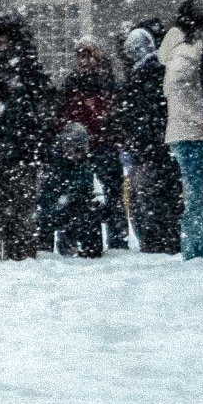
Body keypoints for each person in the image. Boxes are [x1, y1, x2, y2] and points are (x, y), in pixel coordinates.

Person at [0, 15, 57, 262]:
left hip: (13, 150)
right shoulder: (25, 65)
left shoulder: (11, 68)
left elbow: (8, 111)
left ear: (4, 38)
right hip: (20, 150)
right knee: (18, 210)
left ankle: (14, 256)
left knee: (10, 209)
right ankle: (19, 254)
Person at [164, 2, 203, 262]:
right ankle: (200, 250)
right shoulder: (191, 51)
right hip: (193, 131)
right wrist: (200, 117)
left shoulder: (177, 50)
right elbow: (179, 84)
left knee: (198, 192)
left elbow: (173, 87)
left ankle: (200, 248)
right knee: (201, 194)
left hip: (183, 130)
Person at [115, 26, 182, 254]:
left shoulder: (140, 76)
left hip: (148, 148)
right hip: (162, 145)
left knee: (147, 199)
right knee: (163, 197)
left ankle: (155, 242)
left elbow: (137, 114)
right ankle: (167, 239)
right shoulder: (160, 70)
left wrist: (137, 137)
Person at [56, 40, 128, 250]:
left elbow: (114, 113)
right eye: (80, 55)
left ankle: (117, 238)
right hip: (82, 147)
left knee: (112, 193)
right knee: (80, 194)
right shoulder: (74, 82)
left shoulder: (107, 82)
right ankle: (81, 237)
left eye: (87, 55)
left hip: (103, 144)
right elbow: (65, 113)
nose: (83, 60)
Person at [39, 122, 112, 258]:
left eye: (79, 149)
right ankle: (47, 246)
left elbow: (86, 186)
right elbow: (47, 196)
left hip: (76, 206)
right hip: (58, 207)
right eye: (72, 148)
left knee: (91, 210)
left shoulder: (85, 165)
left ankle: (87, 246)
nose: (75, 153)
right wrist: (64, 198)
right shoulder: (56, 167)